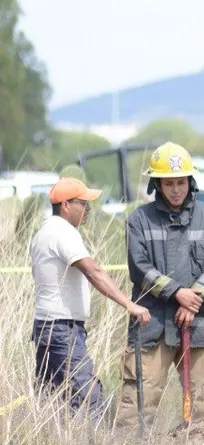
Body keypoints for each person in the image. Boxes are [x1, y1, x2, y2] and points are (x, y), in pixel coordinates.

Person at [115, 142, 204, 429]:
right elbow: (139, 268)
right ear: (157, 184)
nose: (176, 189)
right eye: (169, 183)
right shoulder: (139, 220)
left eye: (181, 182)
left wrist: (194, 302)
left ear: (190, 182)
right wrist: (178, 293)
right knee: (137, 405)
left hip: (199, 324)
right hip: (152, 325)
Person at [30, 177, 151, 422]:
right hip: (62, 330)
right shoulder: (63, 232)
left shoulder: (44, 232)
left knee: (53, 400)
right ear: (65, 205)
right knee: (89, 400)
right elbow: (93, 272)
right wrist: (129, 305)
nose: (89, 210)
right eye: (83, 204)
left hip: (47, 327)